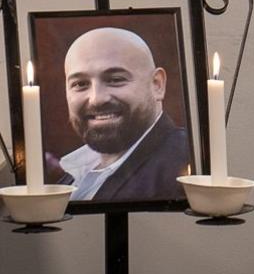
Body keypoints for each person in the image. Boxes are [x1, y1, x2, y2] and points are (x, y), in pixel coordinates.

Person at [56, 27, 189, 201]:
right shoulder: (75, 174)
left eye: (115, 80)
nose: (96, 99)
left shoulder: (182, 166)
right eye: (80, 84)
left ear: (157, 85)